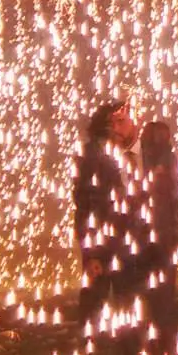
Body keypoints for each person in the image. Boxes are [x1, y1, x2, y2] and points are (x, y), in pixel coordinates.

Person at [73, 99, 142, 338]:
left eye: (124, 120)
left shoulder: (131, 152)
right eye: (117, 122)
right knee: (95, 298)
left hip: (126, 240)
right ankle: (87, 352)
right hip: (102, 240)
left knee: (126, 298)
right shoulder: (94, 156)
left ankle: (129, 351)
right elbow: (87, 204)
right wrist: (91, 251)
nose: (122, 128)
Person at [137, 118, 178, 346]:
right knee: (156, 288)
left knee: (161, 289)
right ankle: (159, 334)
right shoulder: (140, 160)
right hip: (150, 233)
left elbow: (176, 197)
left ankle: (161, 334)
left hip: (160, 232)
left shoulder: (166, 160)